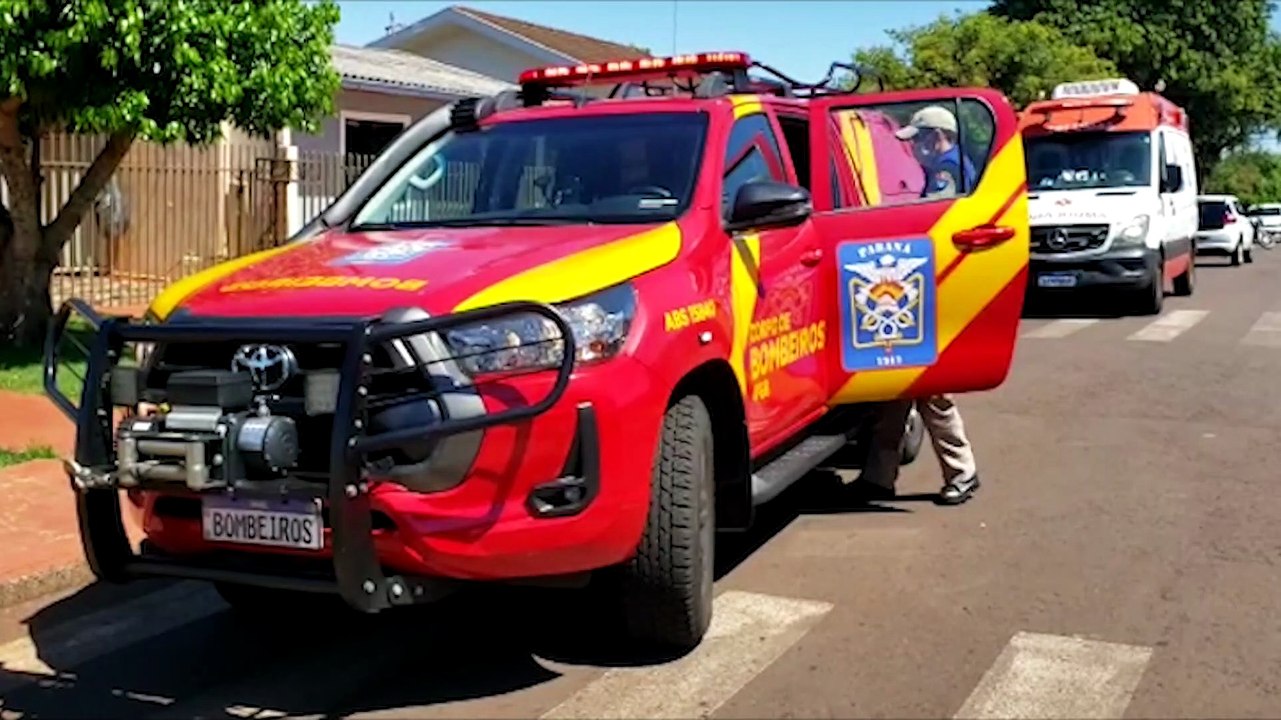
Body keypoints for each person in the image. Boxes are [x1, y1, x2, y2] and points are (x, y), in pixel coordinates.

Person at [847, 104, 981, 505]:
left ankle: (963, 472)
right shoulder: (952, 167)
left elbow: (931, 226)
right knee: (895, 390)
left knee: (932, 393)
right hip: (923, 293)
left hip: (930, 293)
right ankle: (878, 477)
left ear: (934, 137)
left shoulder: (946, 171)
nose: (914, 149)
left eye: (918, 140)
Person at [894, 104, 977, 200]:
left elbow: (933, 209)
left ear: (937, 135)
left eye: (917, 137)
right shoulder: (957, 157)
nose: (913, 143)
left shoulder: (948, 167)